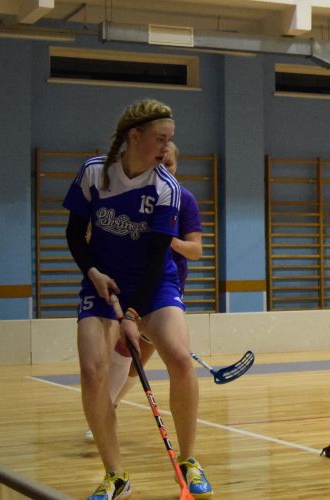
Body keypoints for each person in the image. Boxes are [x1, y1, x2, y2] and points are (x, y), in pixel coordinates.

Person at [64, 99, 211, 500]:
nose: (166, 148)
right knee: (92, 371)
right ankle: (115, 475)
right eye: (161, 139)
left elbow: (156, 256)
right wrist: (92, 272)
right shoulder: (95, 172)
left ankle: (189, 461)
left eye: (169, 140)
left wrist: (132, 314)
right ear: (135, 136)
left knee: (179, 359)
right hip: (102, 283)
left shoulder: (167, 188)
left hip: (154, 284)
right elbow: (75, 234)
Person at [87, 141, 204, 443]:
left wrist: (168, 240)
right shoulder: (123, 192)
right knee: (121, 351)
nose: (164, 168)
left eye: (170, 164)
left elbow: (196, 250)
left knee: (142, 354)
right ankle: (105, 412)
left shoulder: (183, 198)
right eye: (159, 162)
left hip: (164, 287)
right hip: (123, 283)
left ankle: (112, 407)